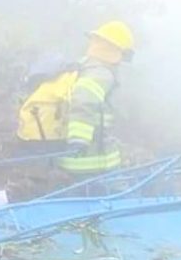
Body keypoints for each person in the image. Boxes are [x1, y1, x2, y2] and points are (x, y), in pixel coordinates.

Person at [57, 20, 135, 176]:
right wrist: (79, 140)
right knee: (116, 197)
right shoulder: (101, 73)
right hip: (92, 164)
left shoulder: (83, 65)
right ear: (117, 51)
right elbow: (83, 100)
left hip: (78, 158)